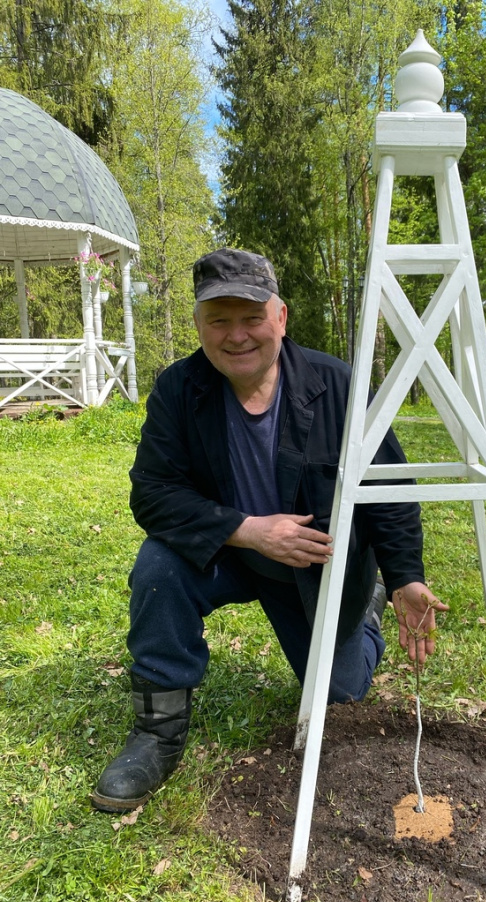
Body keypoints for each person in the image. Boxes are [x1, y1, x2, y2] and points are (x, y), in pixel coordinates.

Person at [91, 248, 447, 813]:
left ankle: (367, 614)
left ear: (280, 317)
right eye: (219, 320)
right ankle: (156, 735)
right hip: (229, 550)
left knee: (342, 694)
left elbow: (388, 490)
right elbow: (152, 494)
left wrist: (405, 577)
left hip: (314, 567)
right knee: (159, 565)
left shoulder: (339, 386)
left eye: (251, 317)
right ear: (199, 325)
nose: (237, 336)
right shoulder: (179, 390)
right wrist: (249, 531)